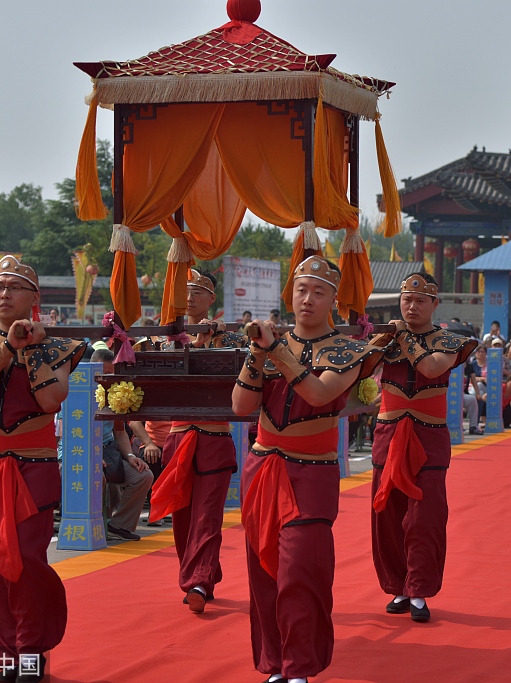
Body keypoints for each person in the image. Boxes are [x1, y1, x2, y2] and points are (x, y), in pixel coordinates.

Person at [232, 255, 382, 683]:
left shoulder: (350, 351)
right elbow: (241, 408)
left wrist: (275, 349)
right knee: (263, 573)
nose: (308, 299)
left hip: (310, 473)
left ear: (334, 298)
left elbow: (318, 394)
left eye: (319, 291)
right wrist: (256, 355)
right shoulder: (268, 344)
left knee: (302, 570)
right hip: (262, 466)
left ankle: (299, 667)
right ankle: (276, 663)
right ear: (290, 294)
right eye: (301, 290)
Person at [0, 255, 86, 682]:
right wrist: (8, 346)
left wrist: (30, 350)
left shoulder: (59, 348)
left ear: (33, 297)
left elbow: (51, 401)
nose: (4, 293)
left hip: (34, 466)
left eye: (14, 287)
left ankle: (31, 648)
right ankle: (4, 654)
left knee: (27, 559)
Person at [368, 271, 477, 624]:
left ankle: (419, 589)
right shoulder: (385, 339)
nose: (411, 306)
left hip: (428, 437)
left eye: (419, 301)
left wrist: (401, 337)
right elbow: (359, 369)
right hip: (388, 435)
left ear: (434, 304)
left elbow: (431, 367)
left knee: (425, 519)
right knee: (387, 515)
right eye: (406, 300)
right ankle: (398, 586)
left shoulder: (450, 341)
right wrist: (374, 343)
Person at [146, 268, 244, 612]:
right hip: (177, 438)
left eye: (197, 292)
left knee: (208, 516)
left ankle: (198, 582)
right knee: (183, 517)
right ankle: (204, 573)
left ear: (211, 299)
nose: (189, 297)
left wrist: (216, 338)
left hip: (215, 438)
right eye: (184, 290)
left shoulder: (229, 337)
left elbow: (248, 366)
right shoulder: (163, 337)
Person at [90, 348, 153, 542]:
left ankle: (119, 524)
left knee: (143, 475)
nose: (109, 379)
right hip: (82, 452)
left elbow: (119, 431)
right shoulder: (78, 393)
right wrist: (91, 457)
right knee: (95, 474)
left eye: (112, 374)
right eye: (105, 374)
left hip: (109, 450)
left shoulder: (116, 394)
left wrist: (131, 457)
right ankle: (95, 526)